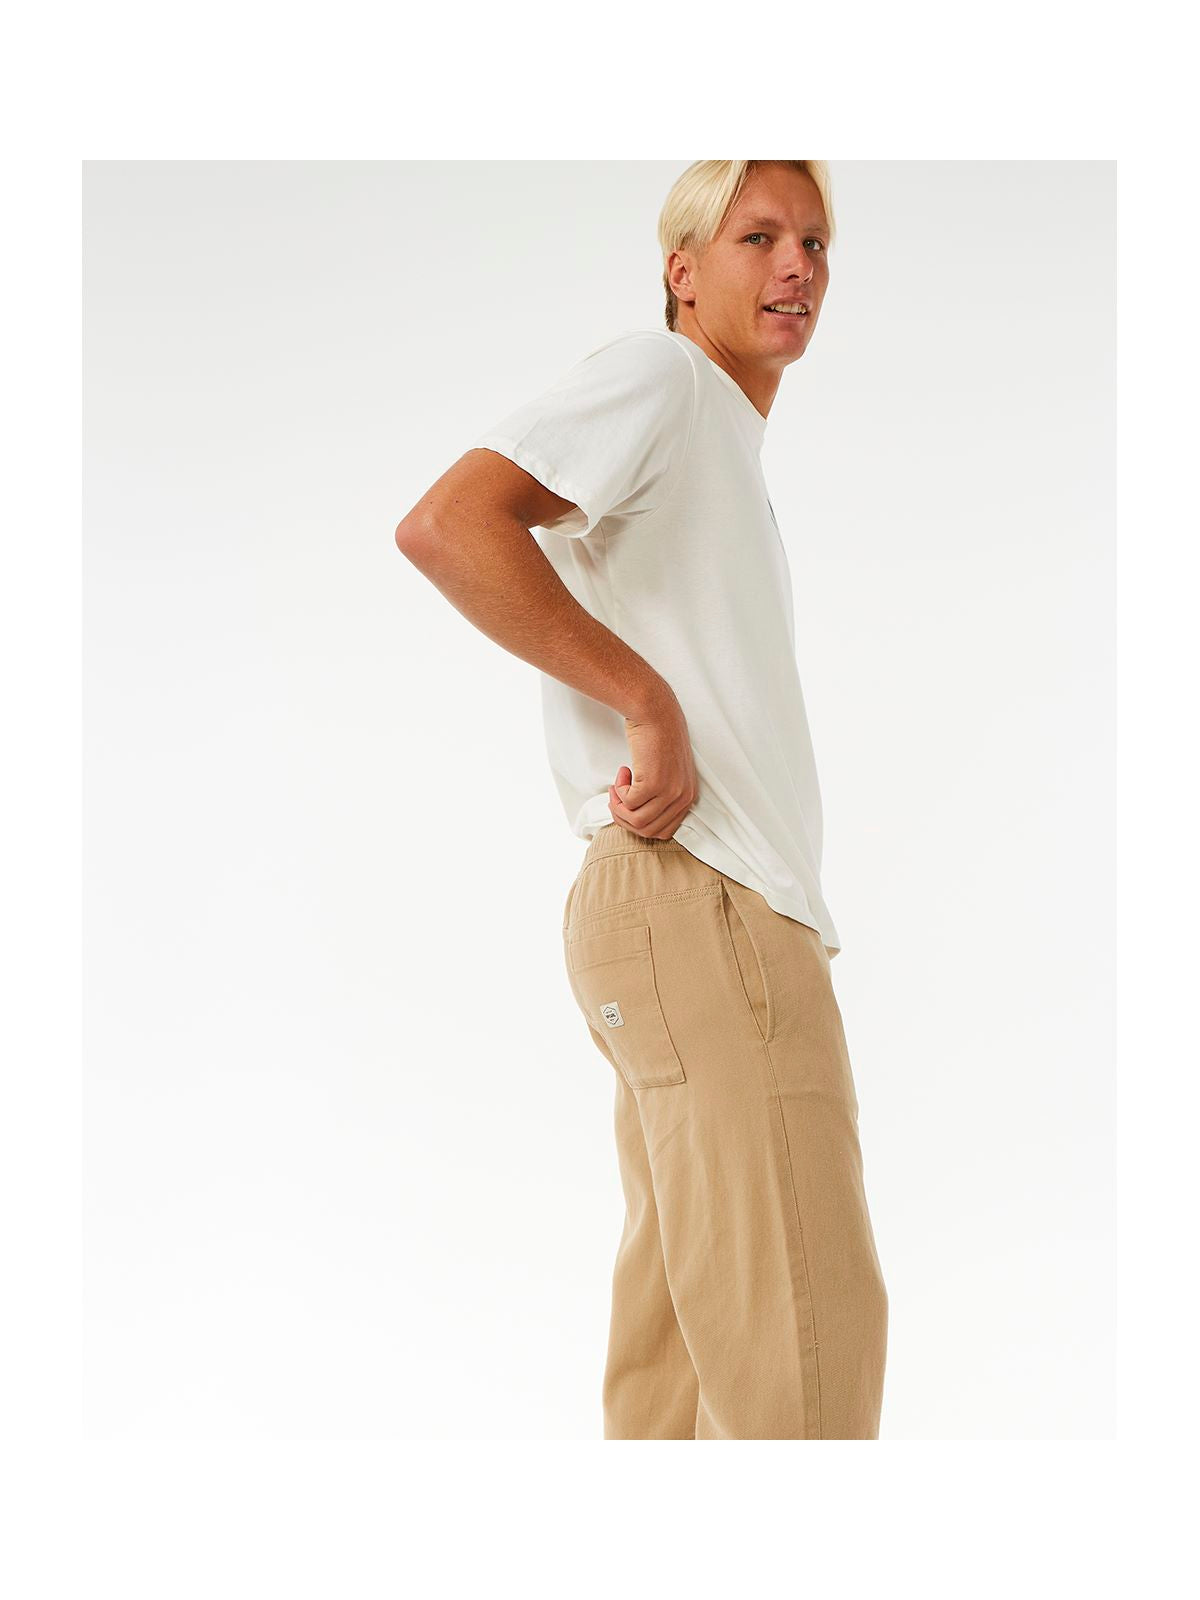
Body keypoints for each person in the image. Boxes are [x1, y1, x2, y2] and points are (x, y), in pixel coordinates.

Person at [394, 159, 888, 1439]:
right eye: (759, 237)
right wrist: (643, 698)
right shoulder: (666, 379)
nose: (799, 265)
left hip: (664, 913)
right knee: (805, 1366)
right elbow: (452, 523)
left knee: (678, 1375)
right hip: (708, 900)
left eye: (817, 242)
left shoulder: (714, 436)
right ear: (682, 269)